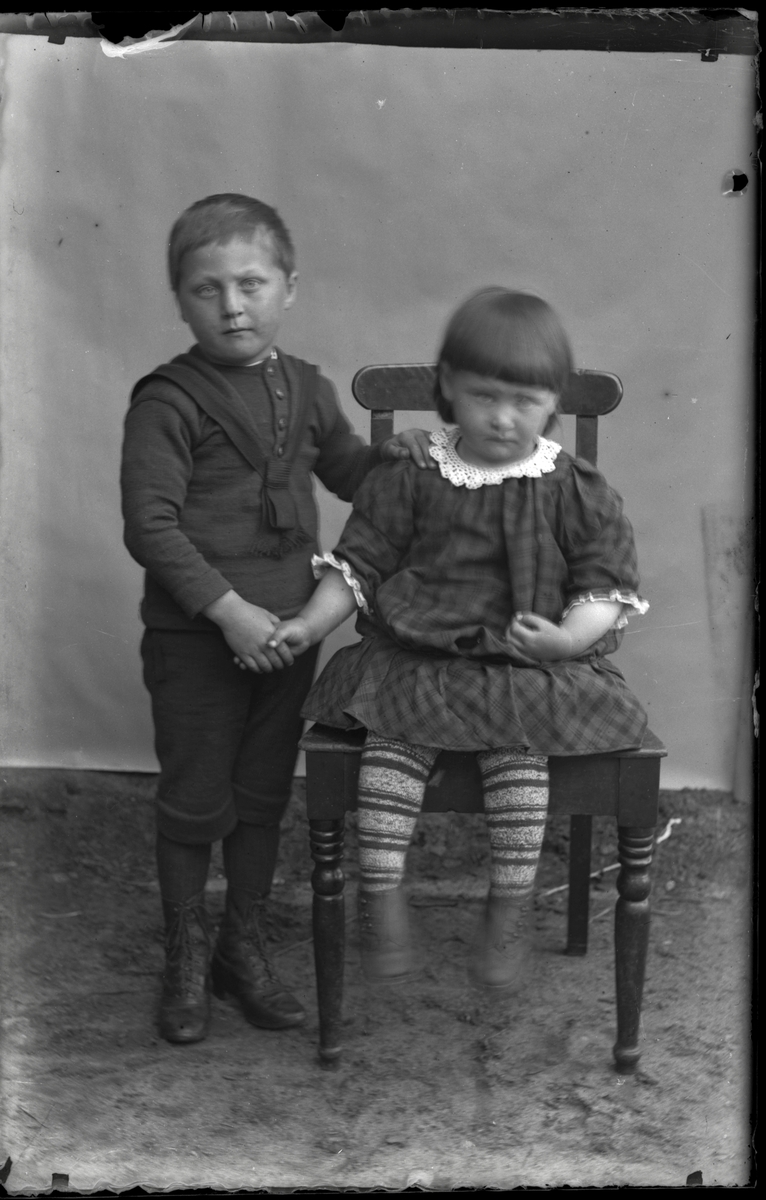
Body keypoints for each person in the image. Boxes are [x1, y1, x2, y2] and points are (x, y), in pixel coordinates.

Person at [267, 287, 650, 994]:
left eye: (526, 401)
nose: (503, 418)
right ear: (447, 387)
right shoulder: (413, 472)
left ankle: (509, 909)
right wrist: (309, 624)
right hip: (420, 659)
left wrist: (566, 640)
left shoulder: (573, 487)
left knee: (519, 759)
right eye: (483, 397)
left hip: (523, 666)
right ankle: (382, 896)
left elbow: (605, 585)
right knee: (391, 745)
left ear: (555, 401)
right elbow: (359, 562)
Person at [120, 193, 434, 1045]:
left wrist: (396, 457)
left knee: (261, 797)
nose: (232, 306)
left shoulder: (307, 388)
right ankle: (185, 958)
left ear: (289, 287)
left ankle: (241, 948)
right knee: (195, 799)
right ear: (180, 299)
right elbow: (150, 525)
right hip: (200, 638)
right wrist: (228, 614)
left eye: (251, 284)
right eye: (207, 289)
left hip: (292, 635)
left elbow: (351, 475)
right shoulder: (168, 401)